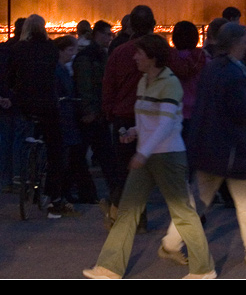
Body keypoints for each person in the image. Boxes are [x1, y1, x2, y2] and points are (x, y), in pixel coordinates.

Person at [83, 34, 216, 279]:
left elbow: (166, 125)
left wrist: (142, 153)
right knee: (127, 213)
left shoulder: (170, 83)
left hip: (167, 156)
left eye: (139, 54)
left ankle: (203, 269)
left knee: (183, 214)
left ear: (153, 57)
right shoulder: (145, 80)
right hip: (147, 155)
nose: (134, 57)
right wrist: (133, 132)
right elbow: (150, 119)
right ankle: (109, 268)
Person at [163, 23, 246, 266]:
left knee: (199, 200)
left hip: (211, 147)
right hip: (233, 149)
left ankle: (170, 244)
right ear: (235, 43)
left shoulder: (213, 68)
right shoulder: (233, 72)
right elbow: (241, 110)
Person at [8, 14, 73, 218]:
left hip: (25, 104)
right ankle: (54, 199)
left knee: (22, 137)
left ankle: (22, 176)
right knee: (55, 149)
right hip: (47, 104)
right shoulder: (51, 48)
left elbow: (10, 76)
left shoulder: (17, 49)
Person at [102, 5, 157, 229]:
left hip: (125, 118)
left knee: (126, 167)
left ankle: (122, 212)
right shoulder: (160, 52)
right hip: (152, 119)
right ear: (153, 25)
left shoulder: (120, 52)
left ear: (131, 25)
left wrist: (109, 112)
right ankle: (137, 216)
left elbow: (109, 85)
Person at [72, 20, 119, 208]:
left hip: (98, 113)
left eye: (111, 35)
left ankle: (98, 192)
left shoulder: (99, 55)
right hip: (91, 115)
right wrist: (88, 110)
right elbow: (85, 86)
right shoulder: (88, 57)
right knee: (93, 155)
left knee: (100, 156)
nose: (110, 38)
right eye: (107, 34)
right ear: (97, 34)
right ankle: (91, 192)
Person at [54, 34, 96, 204]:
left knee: (73, 156)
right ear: (61, 51)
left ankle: (72, 191)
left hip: (68, 117)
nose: (73, 54)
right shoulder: (59, 70)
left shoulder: (62, 69)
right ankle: (69, 191)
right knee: (71, 156)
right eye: (70, 50)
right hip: (66, 119)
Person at [0, 17, 27, 193]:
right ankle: (19, 178)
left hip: (3, 103)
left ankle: (6, 181)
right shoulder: (23, 52)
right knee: (20, 140)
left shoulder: (1, 50)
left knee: (6, 141)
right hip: (19, 104)